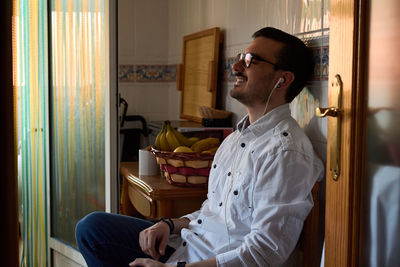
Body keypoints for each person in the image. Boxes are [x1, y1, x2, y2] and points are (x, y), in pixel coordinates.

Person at [75, 27, 324, 267]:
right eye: (241, 58)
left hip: (208, 261)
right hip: (188, 246)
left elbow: (265, 252)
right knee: (93, 229)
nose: (236, 66)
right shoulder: (235, 139)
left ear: (283, 79)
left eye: (250, 60)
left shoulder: (285, 152)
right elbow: (212, 213)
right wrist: (169, 225)